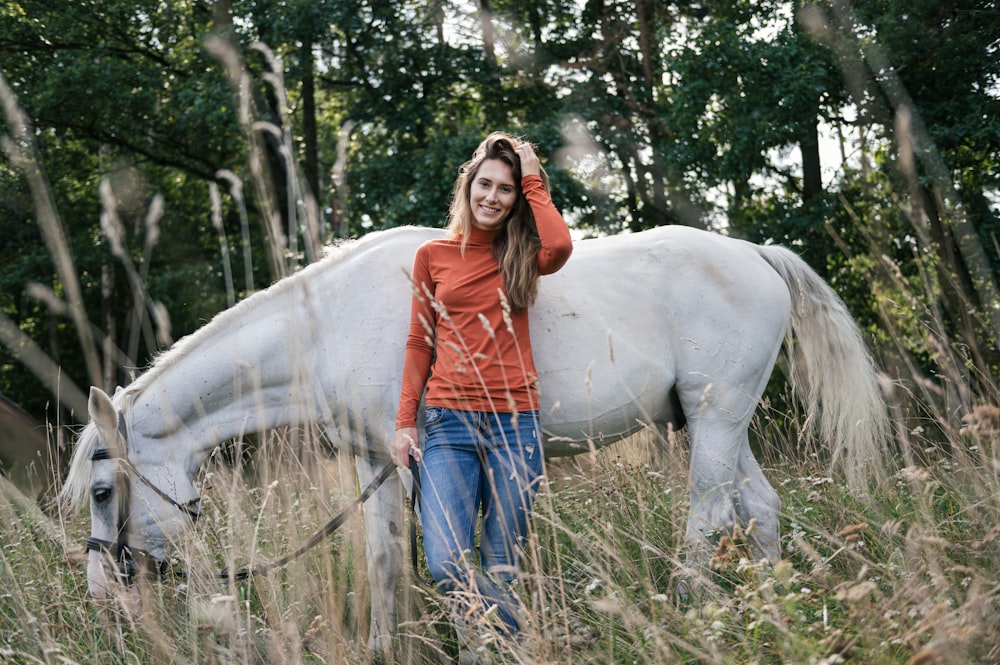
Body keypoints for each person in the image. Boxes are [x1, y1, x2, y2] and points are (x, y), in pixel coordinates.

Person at [391, 131, 573, 654]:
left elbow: (559, 245)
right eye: (485, 184)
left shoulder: (520, 251)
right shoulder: (433, 254)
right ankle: (495, 638)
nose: (493, 196)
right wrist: (405, 422)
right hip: (449, 424)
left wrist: (533, 174)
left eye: (507, 189)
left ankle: (494, 651)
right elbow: (418, 341)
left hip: (516, 424)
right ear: (468, 185)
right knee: (447, 562)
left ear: (518, 197)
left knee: (502, 565)